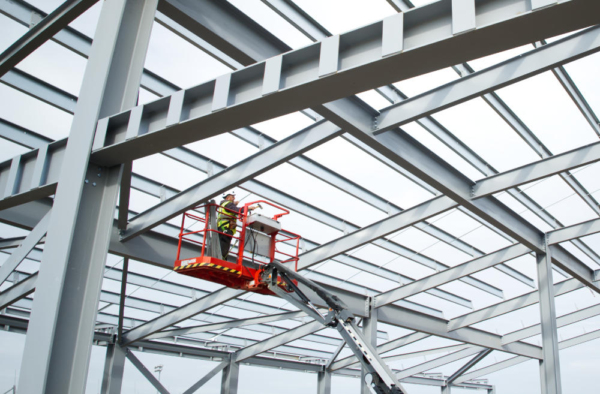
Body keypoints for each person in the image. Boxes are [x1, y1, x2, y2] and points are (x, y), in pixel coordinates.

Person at [217, 192, 257, 259]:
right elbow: (237, 210)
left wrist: (234, 204)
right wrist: (248, 208)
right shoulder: (228, 204)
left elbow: (230, 209)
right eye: (232, 197)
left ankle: (220, 258)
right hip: (226, 227)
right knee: (224, 244)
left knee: (222, 244)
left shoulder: (224, 204)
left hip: (222, 227)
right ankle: (221, 260)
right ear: (228, 197)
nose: (234, 198)